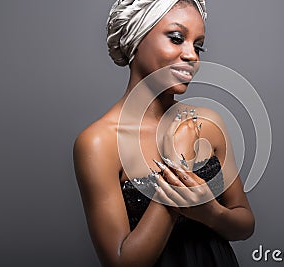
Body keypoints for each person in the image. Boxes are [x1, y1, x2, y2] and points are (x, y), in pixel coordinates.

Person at [73, 0, 255, 266]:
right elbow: (122, 262)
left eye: (198, 45)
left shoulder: (206, 124)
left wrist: (210, 213)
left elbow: (245, 223)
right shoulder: (99, 143)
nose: (192, 55)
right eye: (177, 38)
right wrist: (178, 164)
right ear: (137, 38)